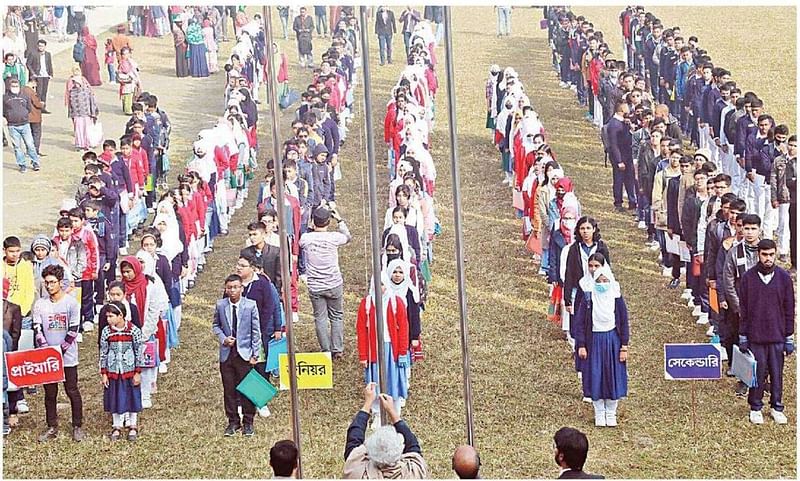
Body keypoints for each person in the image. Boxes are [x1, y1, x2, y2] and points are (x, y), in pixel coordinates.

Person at [738, 239, 794, 425]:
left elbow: (789, 309)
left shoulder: (784, 278)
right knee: (757, 373)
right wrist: (743, 335)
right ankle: (755, 407)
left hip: (777, 336)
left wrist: (789, 336)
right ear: (758, 255)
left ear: (775, 253)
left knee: (777, 373)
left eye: (771, 254)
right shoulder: (748, 278)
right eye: (764, 254)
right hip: (756, 336)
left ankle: (776, 406)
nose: (768, 258)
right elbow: (743, 309)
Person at [32, 264, 85, 442]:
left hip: (68, 356)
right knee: (50, 393)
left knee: (72, 390)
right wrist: (47, 350)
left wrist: (59, 350)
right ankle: (52, 425)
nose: (49, 286)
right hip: (48, 357)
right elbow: (37, 328)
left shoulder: (71, 303)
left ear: (60, 282)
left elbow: (73, 330)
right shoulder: (40, 304)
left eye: (52, 282)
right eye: (46, 282)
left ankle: (77, 425)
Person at [574, 263, 629, 427]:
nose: (602, 284)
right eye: (599, 281)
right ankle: (599, 412)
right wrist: (581, 345)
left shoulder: (616, 298)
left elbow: (624, 322)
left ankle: (611, 413)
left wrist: (624, 346)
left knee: (612, 376)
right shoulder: (588, 298)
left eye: (606, 280)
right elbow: (580, 324)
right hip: (594, 342)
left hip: (612, 341)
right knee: (595, 375)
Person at [343, 383, 428, 479]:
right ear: (401, 450)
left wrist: (368, 403)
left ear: (369, 452)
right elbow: (413, 445)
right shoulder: (415, 472)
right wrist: (392, 412)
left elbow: (353, 439)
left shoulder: (355, 471)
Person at [212, 274, 261, 437]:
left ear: (242, 288)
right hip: (227, 355)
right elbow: (216, 325)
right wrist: (223, 339)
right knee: (229, 389)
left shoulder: (250, 305)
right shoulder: (221, 305)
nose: (232, 291)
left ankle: (248, 422)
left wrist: (255, 353)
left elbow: (256, 331)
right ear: (226, 289)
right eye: (229, 287)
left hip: (245, 354)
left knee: (247, 389)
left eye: (235, 287)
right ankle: (233, 421)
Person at [299, 207, 351, 358]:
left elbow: (303, 237)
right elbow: (348, 237)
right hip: (334, 283)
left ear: (314, 222)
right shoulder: (334, 237)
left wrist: (310, 225)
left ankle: (325, 349)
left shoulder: (306, 239)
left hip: (315, 285)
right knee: (336, 316)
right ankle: (337, 348)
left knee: (320, 317)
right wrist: (339, 219)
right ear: (328, 222)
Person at [120, 256, 169, 409]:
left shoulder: (149, 285)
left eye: (129, 271)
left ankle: (145, 394)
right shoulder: (121, 287)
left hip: (145, 330)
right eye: (124, 272)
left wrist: (144, 332)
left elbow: (153, 310)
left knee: (146, 364)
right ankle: (130, 394)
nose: (126, 275)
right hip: (126, 332)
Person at [99, 300, 145, 441]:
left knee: (132, 397)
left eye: (111, 316)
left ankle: (132, 424)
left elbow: (139, 351)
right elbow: (103, 352)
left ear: (121, 316)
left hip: (129, 370)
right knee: (114, 397)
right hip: (113, 371)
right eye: (107, 316)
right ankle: (117, 425)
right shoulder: (107, 332)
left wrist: (138, 371)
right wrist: (104, 372)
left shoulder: (133, 330)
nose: (108, 319)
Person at [3, 77, 41, 172]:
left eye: (16, 86)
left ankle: (35, 162)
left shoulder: (25, 96)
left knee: (30, 144)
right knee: (17, 147)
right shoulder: (5, 98)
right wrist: (8, 117)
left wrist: (23, 116)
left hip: (24, 124)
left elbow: (28, 108)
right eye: (13, 86)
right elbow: (3, 111)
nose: (15, 88)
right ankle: (22, 164)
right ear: (9, 87)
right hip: (12, 126)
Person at [606, 101, 636, 211]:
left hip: (627, 156)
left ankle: (632, 201)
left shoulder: (624, 123)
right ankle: (618, 203)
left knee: (629, 179)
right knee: (618, 180)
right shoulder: (614, 125)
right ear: (621, 110)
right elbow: (614, 145)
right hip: (619, 157)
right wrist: (619, 161)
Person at [769, 134, 795, 264]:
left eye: (795, 146)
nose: (792, 148)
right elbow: (773, 180)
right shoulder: (779, 160)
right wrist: (774, 197)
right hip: (784, 197)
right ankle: (784, 251)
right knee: (783, 224)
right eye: (790, 145)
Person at [65, 67, 99, 151]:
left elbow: (91, 92)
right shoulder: (70, 81)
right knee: (79, 128)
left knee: (87, 127)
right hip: (77, 111)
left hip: (86, 109)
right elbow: (68, 94)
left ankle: (88, 143)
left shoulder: (83, 79)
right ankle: (80, 144)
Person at [25, 39, 53, 113]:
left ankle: (43, 107)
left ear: (45, 46)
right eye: (39, 46)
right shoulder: (33, 53)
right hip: (38, 76)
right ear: (37, 46)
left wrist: (51, 74)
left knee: (44, 92)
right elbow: (28, 64)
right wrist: (33, 73)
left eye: (42, 46)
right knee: (38, 92)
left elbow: (49, 64)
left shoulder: (48, 54)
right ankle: (37, 107)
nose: (41, 47)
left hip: (46, 75)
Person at [19, 77, 44, 156]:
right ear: (33, 83)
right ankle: (35, 151)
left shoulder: (21, 91)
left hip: (25, 117)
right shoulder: (31, 92)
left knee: (28, 135)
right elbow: (37, 104)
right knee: (36, 134)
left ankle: (28, 150)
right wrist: (42, 104)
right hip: (34, 116)